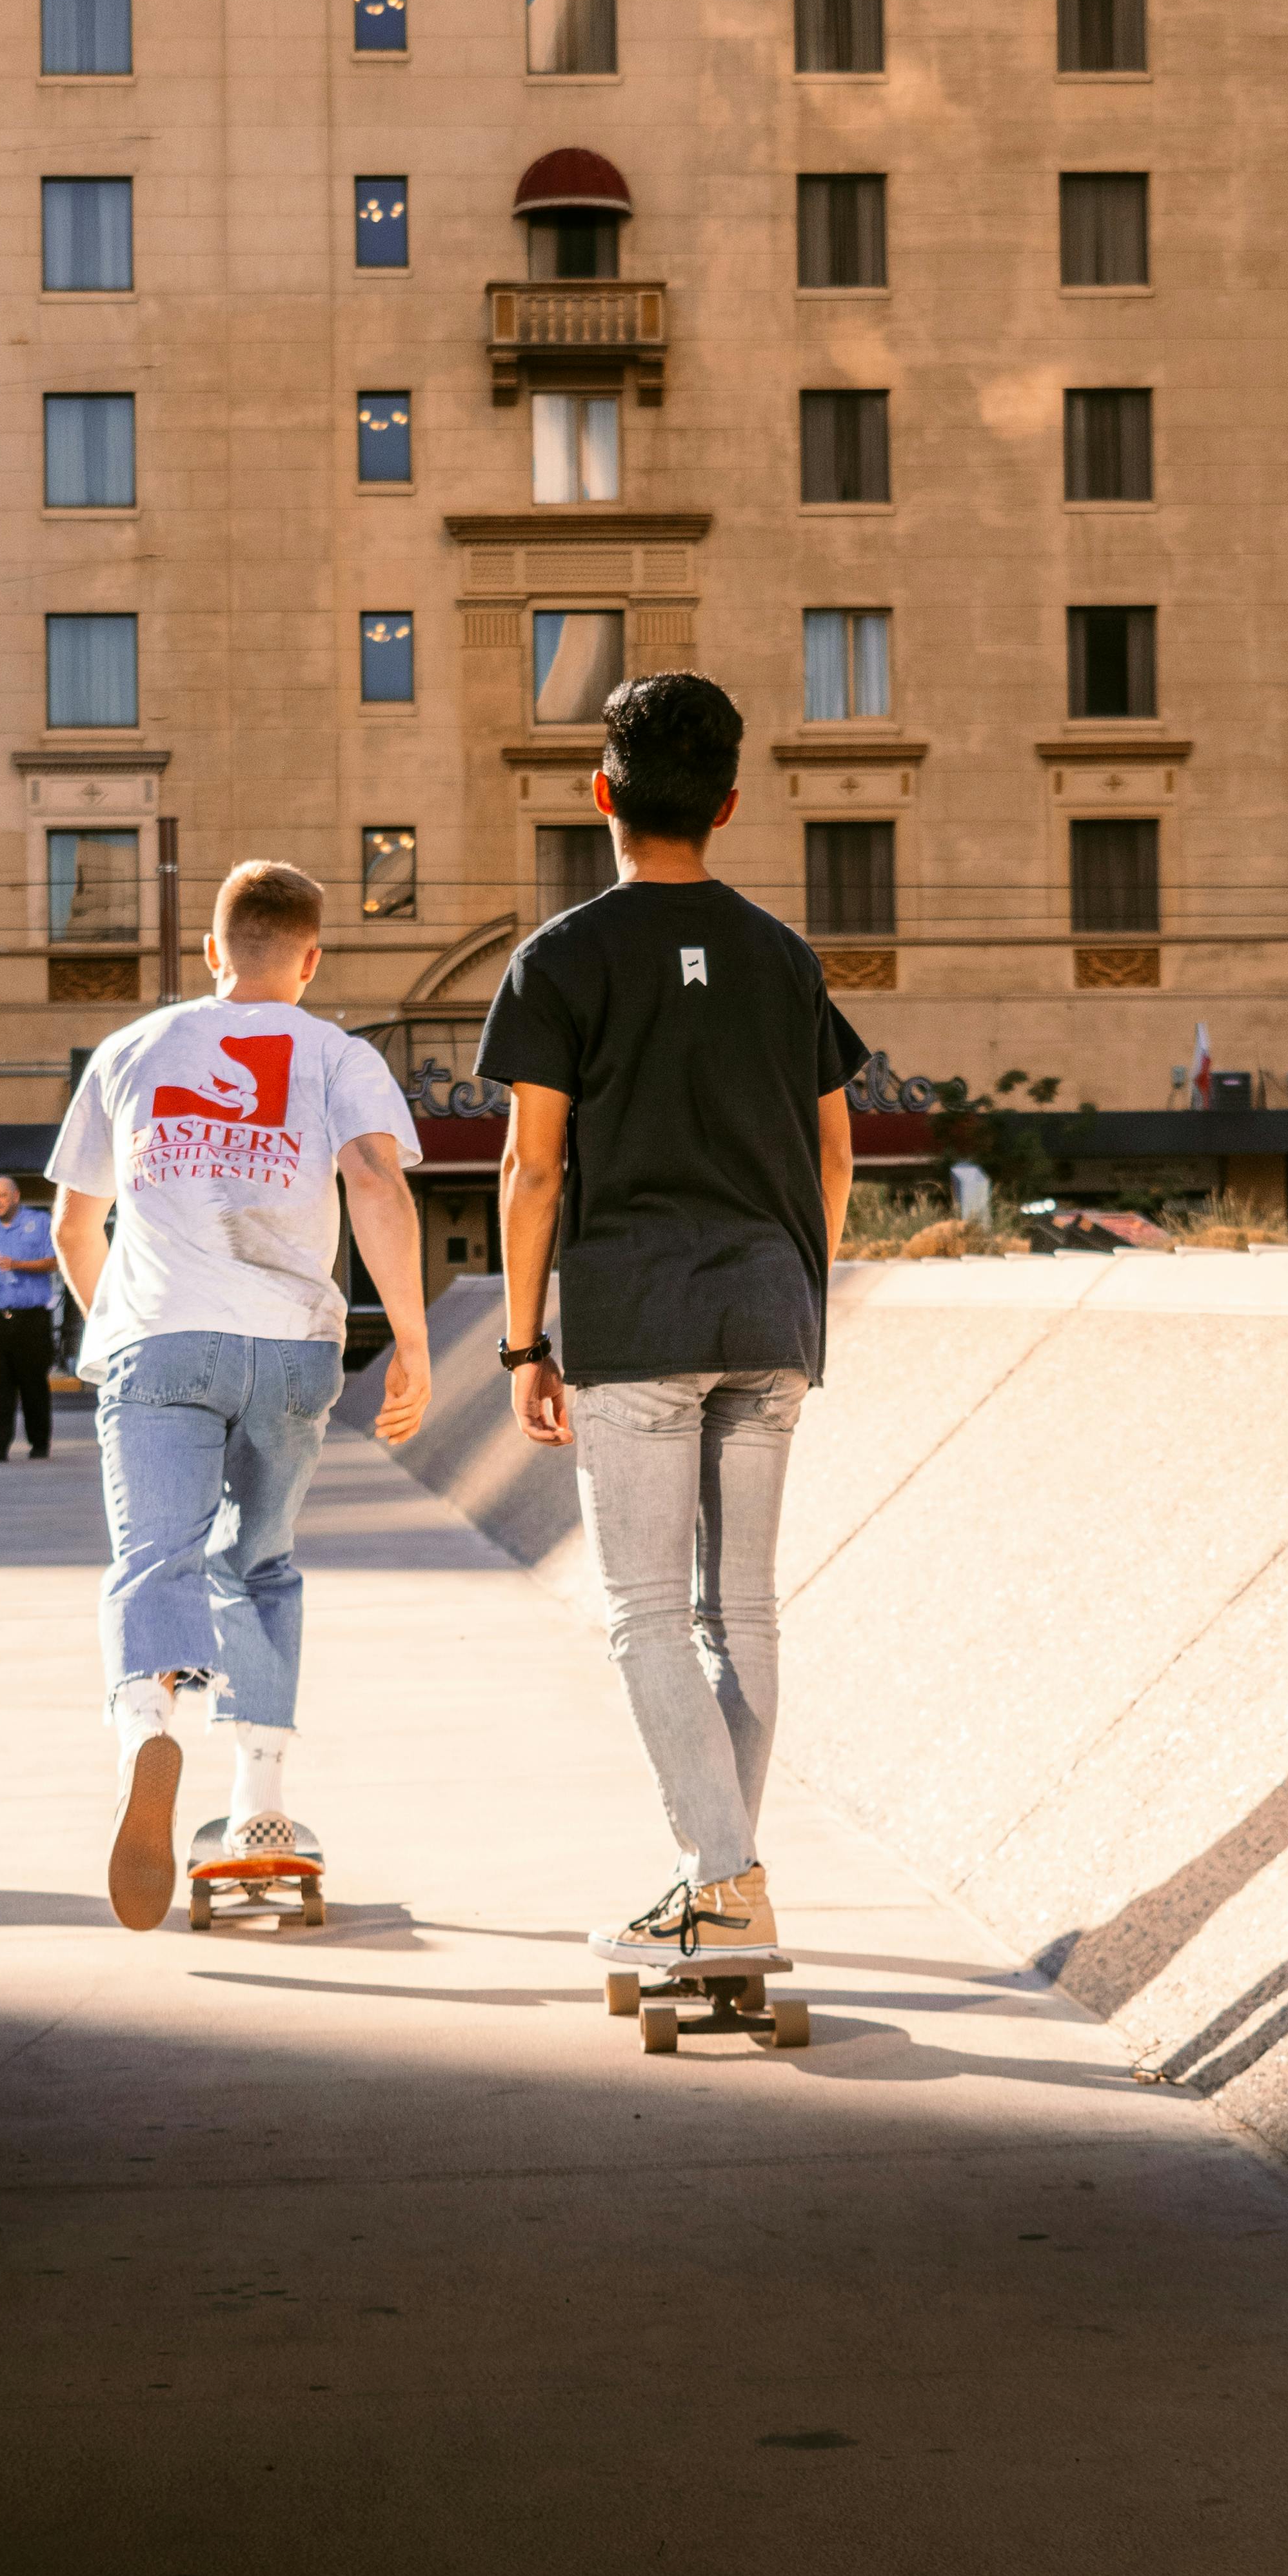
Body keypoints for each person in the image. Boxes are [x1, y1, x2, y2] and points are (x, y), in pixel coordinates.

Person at [477, 674, 865, 1967]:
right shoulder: (780, 956)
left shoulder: (560, 958)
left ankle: (717, 1882)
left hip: (638, 1318)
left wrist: (523, 1341)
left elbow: (532, 1170)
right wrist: (799, 1285)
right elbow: (833, 1151)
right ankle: (720, 1884)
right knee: (738, 1610)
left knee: (646, 1614)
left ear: (600, 796)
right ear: (731, 803)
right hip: (768, 1309)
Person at [49, 858, 433, 1933]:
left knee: (152, 1559)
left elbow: (76, 1229)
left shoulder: (129, 1050)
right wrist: (410, 1339)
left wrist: (112, 1323)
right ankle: (259, 1808)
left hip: (160, 1340)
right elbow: (374, 1180)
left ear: (211, 952)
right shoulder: (338, 1054)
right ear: (311, 962)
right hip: (294, 1350)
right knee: (257, 1564)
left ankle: (146, 1728)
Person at [0, 1172, 61, 1461]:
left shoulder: (39, 1223)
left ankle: (39, 1443)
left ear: (16, 1197)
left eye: (2, 1195)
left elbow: (56, 1261)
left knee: (33, 1384)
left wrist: (19, 1264)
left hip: (30, 1319)